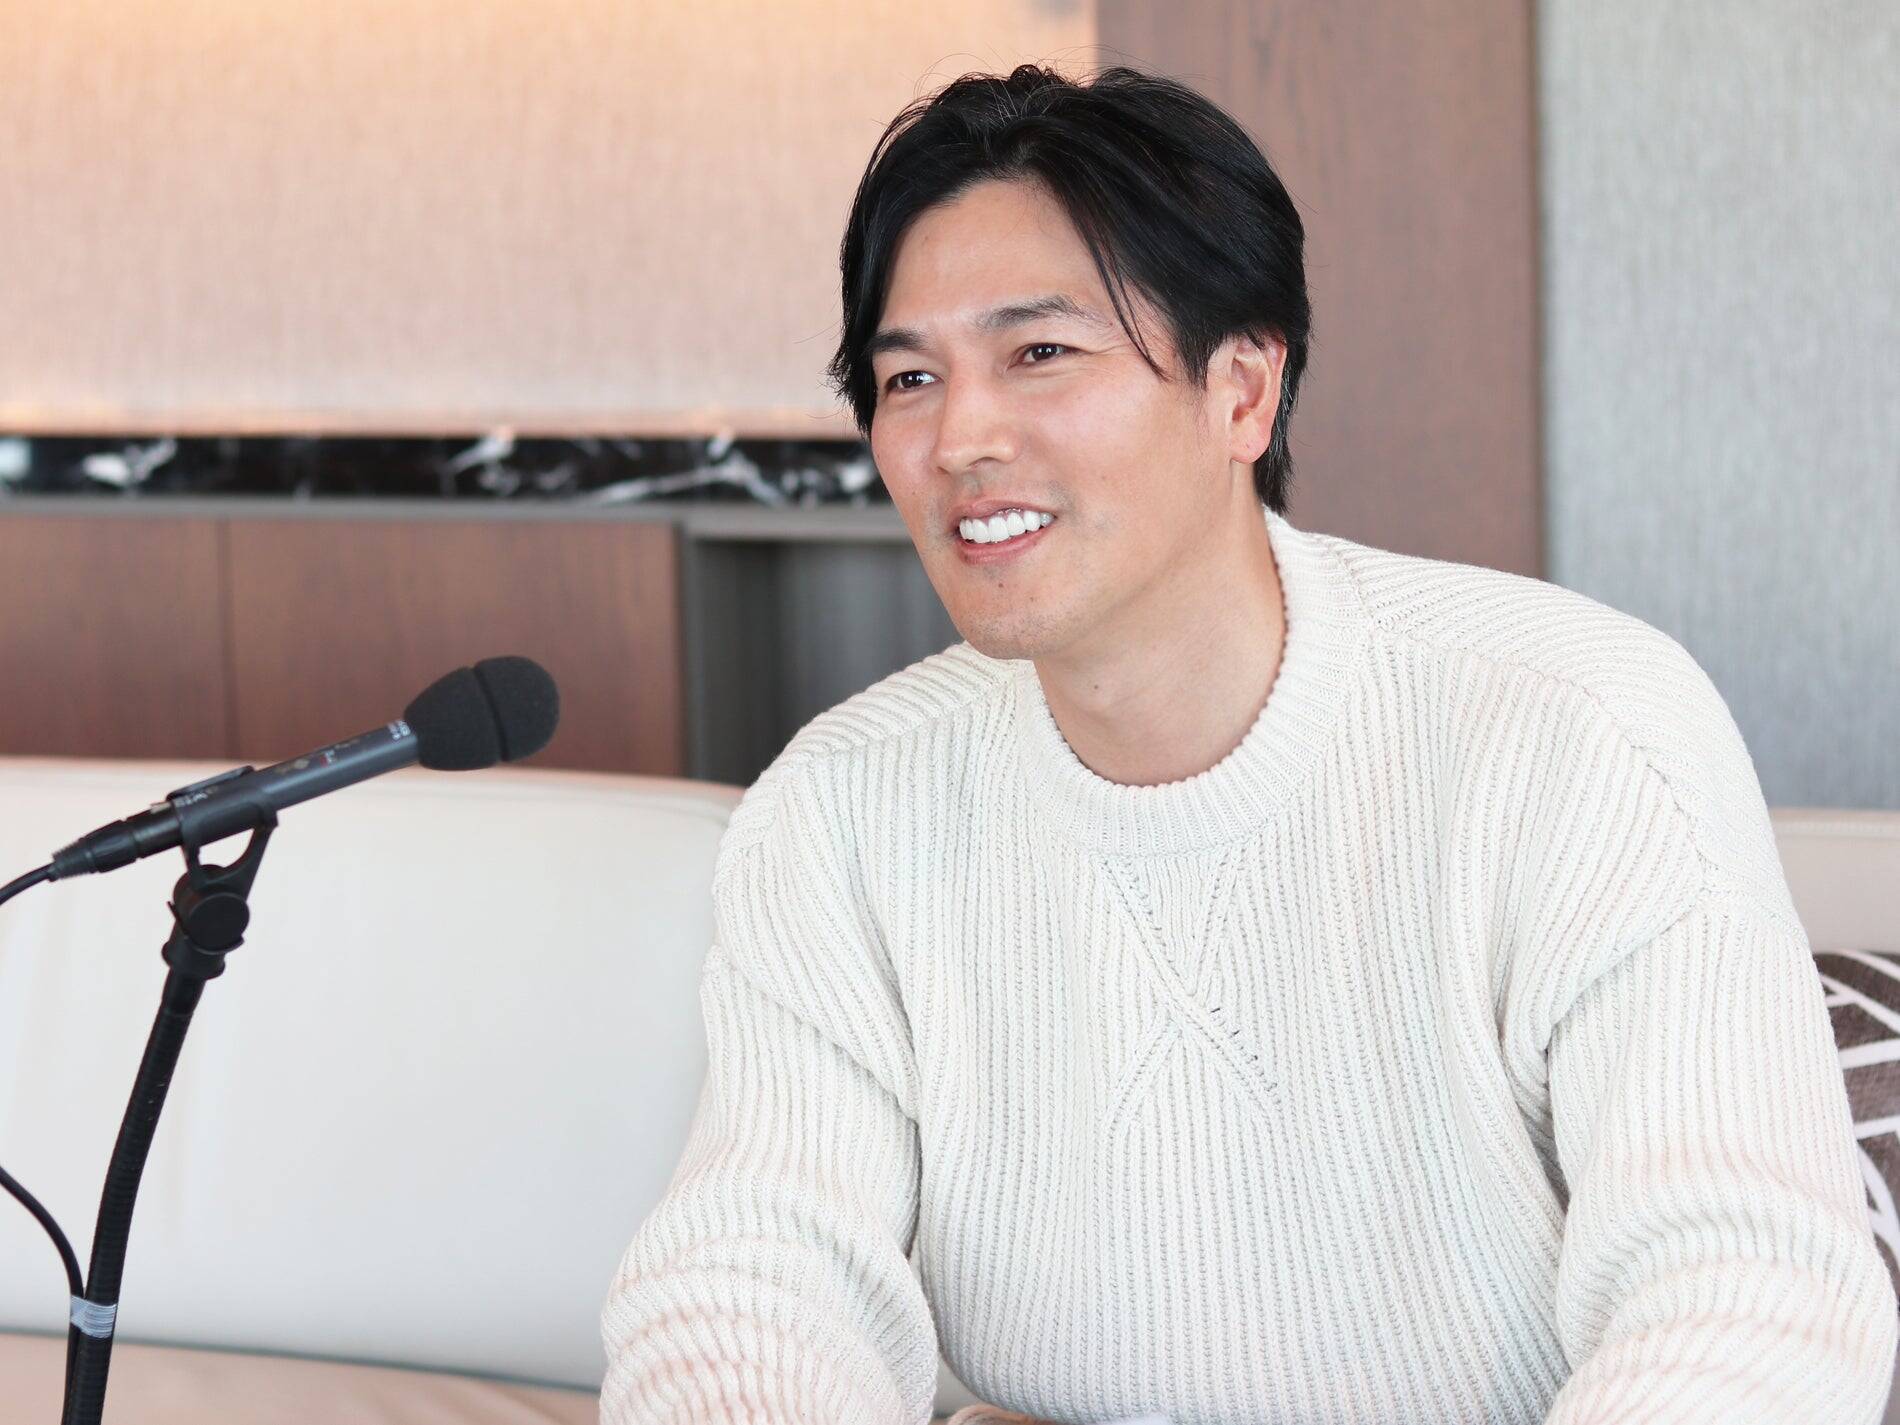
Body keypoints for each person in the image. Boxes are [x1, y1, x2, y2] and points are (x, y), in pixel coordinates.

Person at [598, 63, 1895, 1424]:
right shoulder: (842, 808)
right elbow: (754, 1278)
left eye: (1040, 354)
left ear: (1243, 391)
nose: (958, 436)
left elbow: (1746, 1301)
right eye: (908, 376)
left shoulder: (1580, 730)